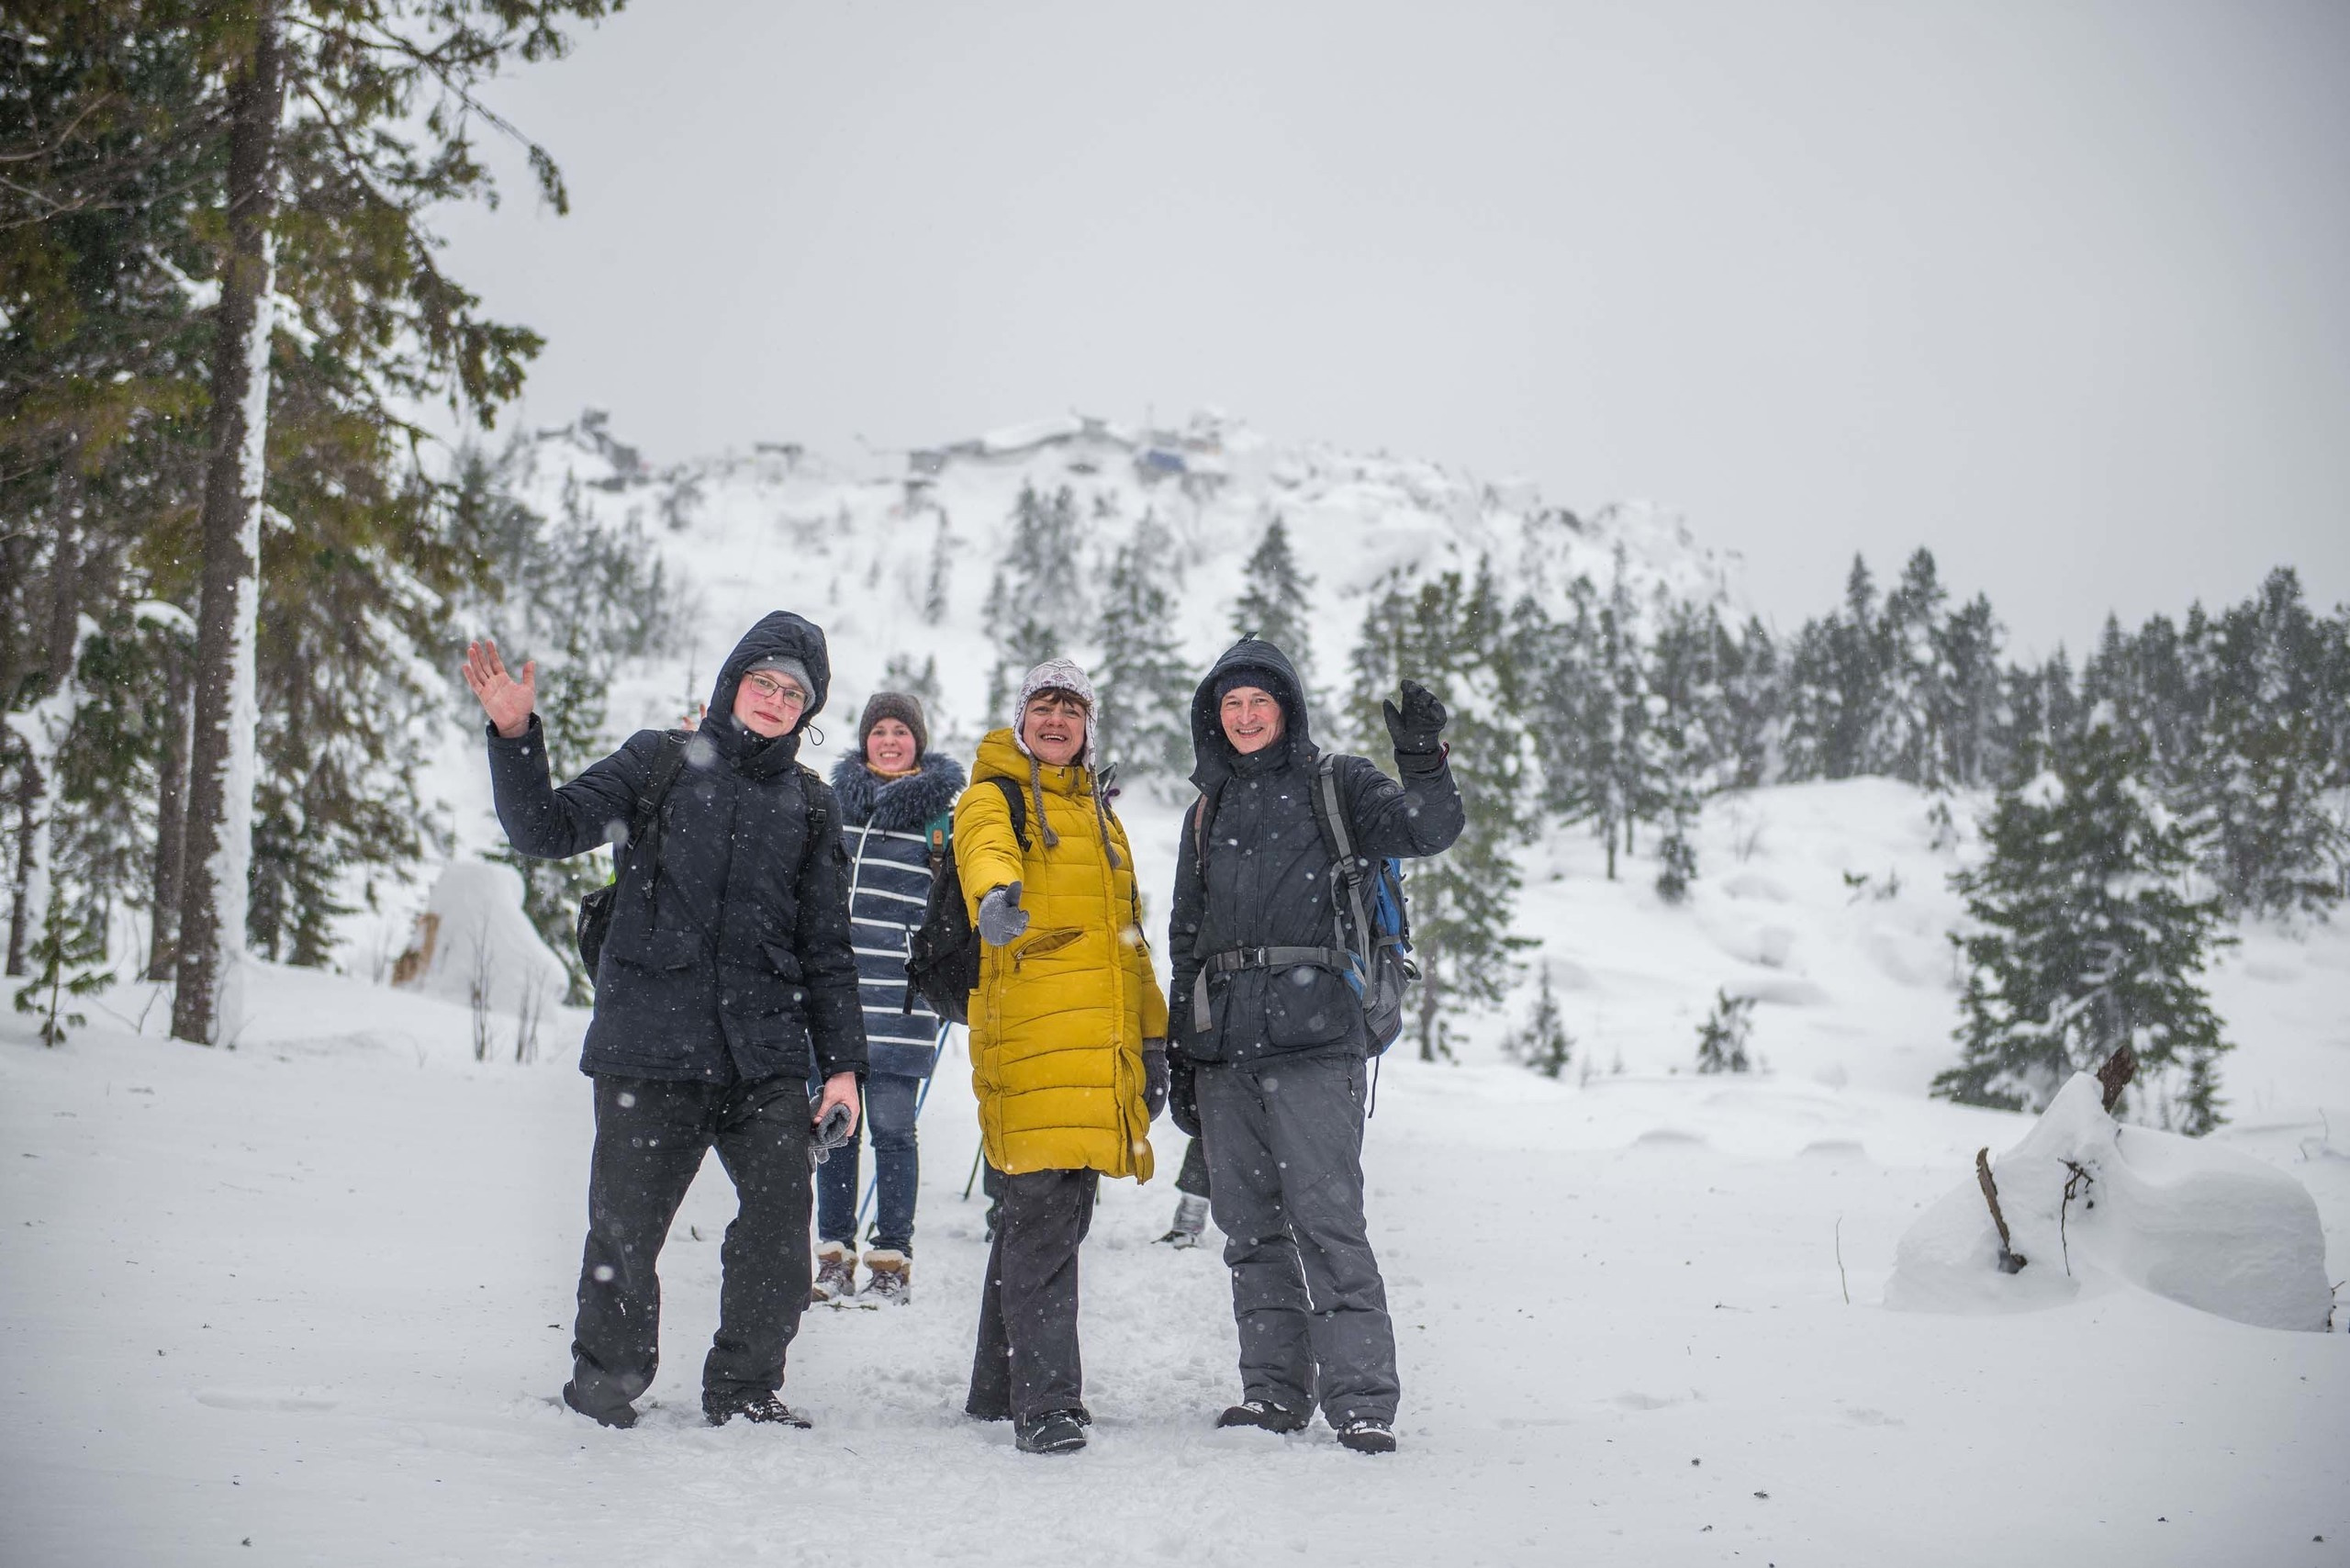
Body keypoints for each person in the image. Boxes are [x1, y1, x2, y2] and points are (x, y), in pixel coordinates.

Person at [463, 612, 866, 1431]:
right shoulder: (657, 763)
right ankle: (606, 1386)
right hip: (651, 1049)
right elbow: (545, 829)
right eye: (765, 682)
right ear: (733, 683)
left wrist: (845, 1066)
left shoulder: (811, 805)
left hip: (765, 1057)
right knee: (624, 1233)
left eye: (795, 693)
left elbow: (827, 946)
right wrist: (514, 733)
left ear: (807, 712)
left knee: (781, 1226)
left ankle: (745, 1386)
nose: (776, 700)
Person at [1168, 637, 1462, 1455]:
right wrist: (1181, 1054)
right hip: (1226, 1049)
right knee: (1251, 1233)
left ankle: (1362, 1399)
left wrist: (1421, 759)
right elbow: (1185, 939)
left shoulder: (1339, 783)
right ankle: (1272, 1394)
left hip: (1316, 1041)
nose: (1245, 716)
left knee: (1329, 1225)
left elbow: (1427, 829)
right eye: (1230, 705)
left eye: (1259, 701)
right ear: (1213, 719)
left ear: (1286, 708)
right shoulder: (1207, 810)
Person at [957, 658, 1169, 1455]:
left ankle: (994, 1383)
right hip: (1032, 1035)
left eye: (1070, 710)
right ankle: (1047, 1405)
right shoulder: (995, 795)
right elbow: (982, 847)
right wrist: (995, 896)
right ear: (1021, 719)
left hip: (1099, 1048)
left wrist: (1153, 1038)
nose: (1055, 721)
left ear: (1088, 728)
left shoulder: (1103, 820)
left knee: (1047, 1218)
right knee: (1042, 1218)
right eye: (1042, 707)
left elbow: (1129, 945)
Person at [811, 692, 966, 1306]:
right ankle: (833, 1256)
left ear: (919, 741)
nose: (891, 740)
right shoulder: (832, 806)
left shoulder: (940, 820)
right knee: (834, 1127)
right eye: (880, 730)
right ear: (865, 739)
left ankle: (890, 1261)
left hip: (903, 1000)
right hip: (836, 997)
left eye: (902, 731)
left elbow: (958, 903)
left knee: (894, 1132)